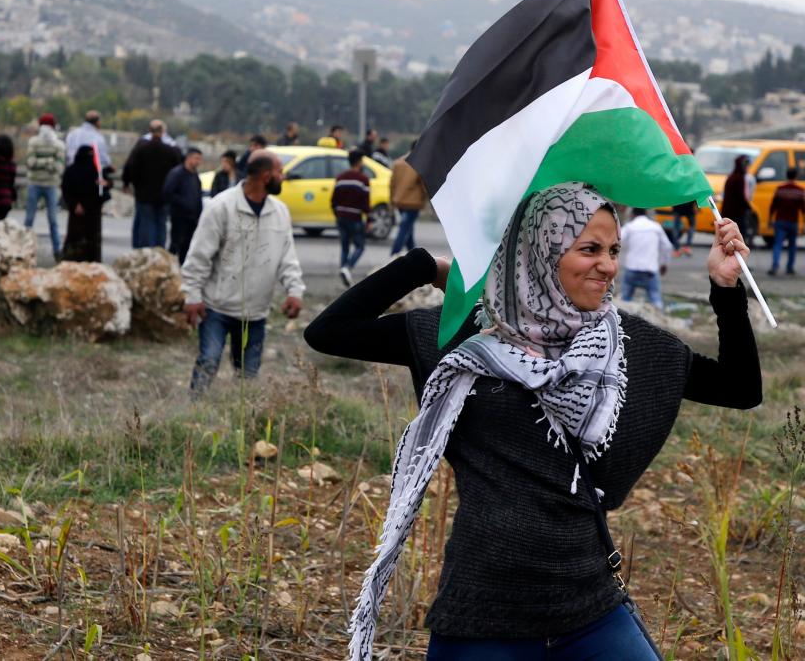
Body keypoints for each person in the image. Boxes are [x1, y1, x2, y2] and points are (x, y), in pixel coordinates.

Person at [304, 182, 761, 661]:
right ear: (540, 252)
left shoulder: (627, 348)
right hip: (483, 612)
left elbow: (741, 389)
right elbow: (329, 332)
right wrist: (425, 266)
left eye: (612, 250)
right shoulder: (466, 334)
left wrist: (725, 289)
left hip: (589, 607)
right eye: (589, 249)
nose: (607, 265)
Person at [181, 150, 305, 394]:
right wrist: (192, 296)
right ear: (266, 176)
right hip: (217, 308)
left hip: (255, 313)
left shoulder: (279, 212)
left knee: (248, 376)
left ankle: (244, 421)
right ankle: (193, 412)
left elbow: (287, 257)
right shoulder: (222, 207)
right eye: (280, 172)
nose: (284, 177)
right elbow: (199, 255)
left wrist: (294, 290)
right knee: (208, 361)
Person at [122, 119, 182, 249]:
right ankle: (159, 250)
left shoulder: (141, 147)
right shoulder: (172, 149)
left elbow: (130, 166)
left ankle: (144, 250)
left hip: (144, 192)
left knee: (145, 223)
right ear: (163, 132)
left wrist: (129, 183)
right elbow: (178, 170)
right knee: (161, 223)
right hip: (164, 193)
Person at [24, 113, 66, 261]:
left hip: (49, 185)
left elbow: (60, 167)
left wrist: (41, 161)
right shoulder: (34, 142)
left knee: (52, 220)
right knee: (29, 220)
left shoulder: (58, 144)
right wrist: (49, 162)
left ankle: (57, 250)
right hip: (37, 184)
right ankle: (24, 248)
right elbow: (30, 162)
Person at [619, 208, 673, 309]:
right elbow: (667, 246)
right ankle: (659, 322)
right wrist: (664, 264)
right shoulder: (655, 227)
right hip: (650, 271)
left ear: (632, 214)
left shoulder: (630, 227)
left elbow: (617, 240)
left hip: (632, 269)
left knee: (625, 301)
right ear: (646, 213)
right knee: (656, 300)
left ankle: (622, 322)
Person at [332, 149, 371, 287]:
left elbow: (334, 200)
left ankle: (344, 272)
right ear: (359, 162)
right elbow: (365, 203)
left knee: (344, 246)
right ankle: (347, 268)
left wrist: (337, 214)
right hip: (355, 216)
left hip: (341, 216)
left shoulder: (340, 178)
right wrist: (369, 219)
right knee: (360, 246)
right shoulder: (363, 180)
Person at [61, 146, 104, 262]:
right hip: (92, 215)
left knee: (74, 244)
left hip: (75, 214)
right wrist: (87, 205)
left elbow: (65, 190)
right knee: (91, 246)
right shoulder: (96, 172)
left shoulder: (70, 171)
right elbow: (99, 193)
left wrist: (75, 205)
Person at [163, 147, 204, 263]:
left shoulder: (195, 176)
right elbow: (167, 193)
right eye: (196, 158)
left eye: (200, 159)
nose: (198, 162)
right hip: (179, 217)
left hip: (192, 218)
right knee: (176, 245)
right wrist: (183, 204)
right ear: (189, 158)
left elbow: (197, 196)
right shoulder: (177, 174)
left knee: (188, 248)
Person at [389, 142, 428, 256]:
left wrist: (392, 199)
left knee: (408, 228)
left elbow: (392, 183)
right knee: (404, 228)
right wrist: (426, 198)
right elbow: (423, 185)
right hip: (413, 202)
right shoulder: (419, 164)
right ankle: (395, 252)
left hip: (399, 200)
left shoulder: (398, 163)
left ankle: (414, 253)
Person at [768, 167, 805, 276]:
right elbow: (803, 209)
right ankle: (789, 267)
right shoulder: (800, 190)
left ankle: (775, 265)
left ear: (786, 175)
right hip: (793, 222)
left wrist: (770, 219)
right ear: (796, 176)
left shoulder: (780, 189)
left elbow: (773, 206)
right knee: (792, 246)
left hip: (780, 220)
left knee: (777, 244)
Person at [722, 154, 756, 246]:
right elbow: (741, 197)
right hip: (736, 213)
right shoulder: (739, 178)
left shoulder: (732, 177)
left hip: (730, 212)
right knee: (738, 235)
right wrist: (749, 207)